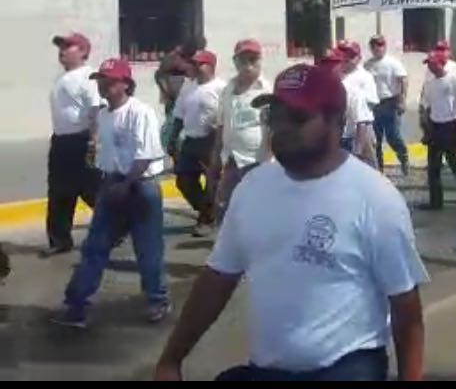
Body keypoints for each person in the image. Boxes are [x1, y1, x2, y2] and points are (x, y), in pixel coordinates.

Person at [154, 63, 427, 381]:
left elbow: (407, 310)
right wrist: (171, 360)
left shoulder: (375, 198)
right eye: (275, 115)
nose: (281, 127)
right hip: (267, 370)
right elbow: (217, 278)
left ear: (336, 122)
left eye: (297, 118)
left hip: (347, 367)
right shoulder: (253, 188)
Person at [52, 58, 169, 328]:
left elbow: (146, 157)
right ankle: (77, 306)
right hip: (113, 184)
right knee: (95, 246)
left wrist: (124, 185)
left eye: (109, 80)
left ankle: (157, 299)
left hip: (140, 187)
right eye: (100, 79)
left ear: (125, 84)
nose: (103, 84)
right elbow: (106, 157)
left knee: (148, 248)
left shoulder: (141, 112)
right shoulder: (104, 115)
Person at [44, 32, 102, 257]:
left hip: (81, 139)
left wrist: (94, 140)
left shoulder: (89, 77)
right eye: (61, 47)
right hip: (61, 140)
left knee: (91, 189)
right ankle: (59, 239)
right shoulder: (62, 78)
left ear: (83, 52)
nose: (63, 51)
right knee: (59, 191)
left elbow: (96, 109)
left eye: (69, 47)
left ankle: (117, 226)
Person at [212, 40, 270, 226]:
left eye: (253, 60)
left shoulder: (268, 91)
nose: (248, 66)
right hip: (231, 159)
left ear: (260, 61)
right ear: (235, 62)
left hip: (257, 160)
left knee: (257, 208)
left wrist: (270, 160)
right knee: (225, 205)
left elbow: (275, 128)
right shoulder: (227, 89)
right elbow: (221, 124)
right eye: (243, 60)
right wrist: (215, 156)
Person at [171, 50, 226, 237]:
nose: (195, 67)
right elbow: (178, 115)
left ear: (211, 67)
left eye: (200, 64)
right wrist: (172, 138)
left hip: (210, 140)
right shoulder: (188, 87)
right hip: (190, 140)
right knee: (183, 181)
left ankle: (206, 218)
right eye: (194, 64)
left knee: (212, 182)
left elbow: (226, 115)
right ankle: (207, 211)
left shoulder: (221, 88)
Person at [420, 51, 456, 209]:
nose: (430, 66)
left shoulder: (454, 81)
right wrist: (425, 127)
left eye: (432, 63)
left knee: (454, 163)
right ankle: (436, 202)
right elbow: (425, 107)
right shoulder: (429, 84)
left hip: (451, 126)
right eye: (428, 64)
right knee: (433, 167)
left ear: (442, 63)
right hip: (435, 127)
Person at [364, 35, 410, 177]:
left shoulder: (393, 63)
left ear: (385, 46)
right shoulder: (368, 65)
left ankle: (403, 157)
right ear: (371, 48)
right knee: (375, 139)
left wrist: (402, 100)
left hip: (390, 102)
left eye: (381, 45)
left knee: (393, 136)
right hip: (374, 105)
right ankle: (379, 171)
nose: (378, 48)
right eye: (375, 45)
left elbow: (403, 80)